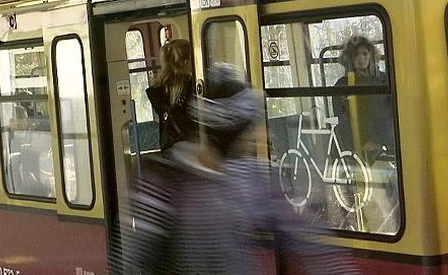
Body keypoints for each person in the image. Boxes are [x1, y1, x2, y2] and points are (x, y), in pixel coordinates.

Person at [120, 63, 359, 274]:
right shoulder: (163, 184)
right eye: (253, 127)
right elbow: (133, 260)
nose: (263, 135)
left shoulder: (254, 179)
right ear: (233, 133)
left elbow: (308, 238)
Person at [332, 35, 394, 164]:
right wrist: (353, 147)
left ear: (371, 55)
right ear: (350, 58)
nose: (361, 58)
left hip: (385, 145)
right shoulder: (342, 85)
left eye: (365, 53)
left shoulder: (384, 80)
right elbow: (342, 121)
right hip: (355, 148)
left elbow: (392, 116)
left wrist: (381, 143)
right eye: (356, 55)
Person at [146, 39, 198, 154]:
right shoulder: (192, 85)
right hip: (192, 146)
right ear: (185, 62)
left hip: (170, 146)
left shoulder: (157, 91)